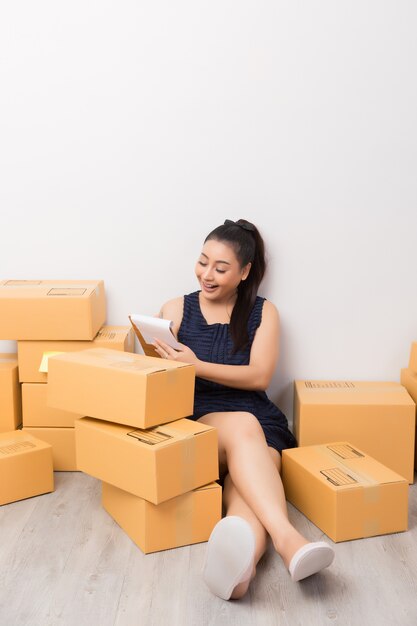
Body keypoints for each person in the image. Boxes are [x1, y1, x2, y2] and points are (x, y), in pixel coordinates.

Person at [152, 218, 335, 601]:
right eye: (203, 262)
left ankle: (239, 576)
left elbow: (259, 377)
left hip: (259, 424)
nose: (207, 274)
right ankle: (290, 541)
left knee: (244, 495)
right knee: (241, 427)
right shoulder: (176, 308)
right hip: (201, 420)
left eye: (221, 268)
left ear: (245, 272)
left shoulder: (262, 312)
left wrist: (193, 362)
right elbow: (157, 382)